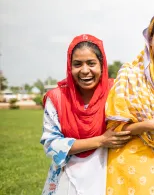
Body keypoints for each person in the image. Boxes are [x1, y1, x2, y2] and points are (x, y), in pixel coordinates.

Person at [105, 10, 154, 195]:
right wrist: (147, 125)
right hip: (126, 166)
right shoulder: (129, 74)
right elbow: (114, 131)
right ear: (150, 39)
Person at [41, 34, 131, 195]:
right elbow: (52, 145)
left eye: (91, 63)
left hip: (107, 178)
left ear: (102, 65)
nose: (84, 70)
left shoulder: (116, 92)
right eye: (77, 64)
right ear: (70, 67)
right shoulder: (57, 98)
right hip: (66, 181)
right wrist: (101, 140)